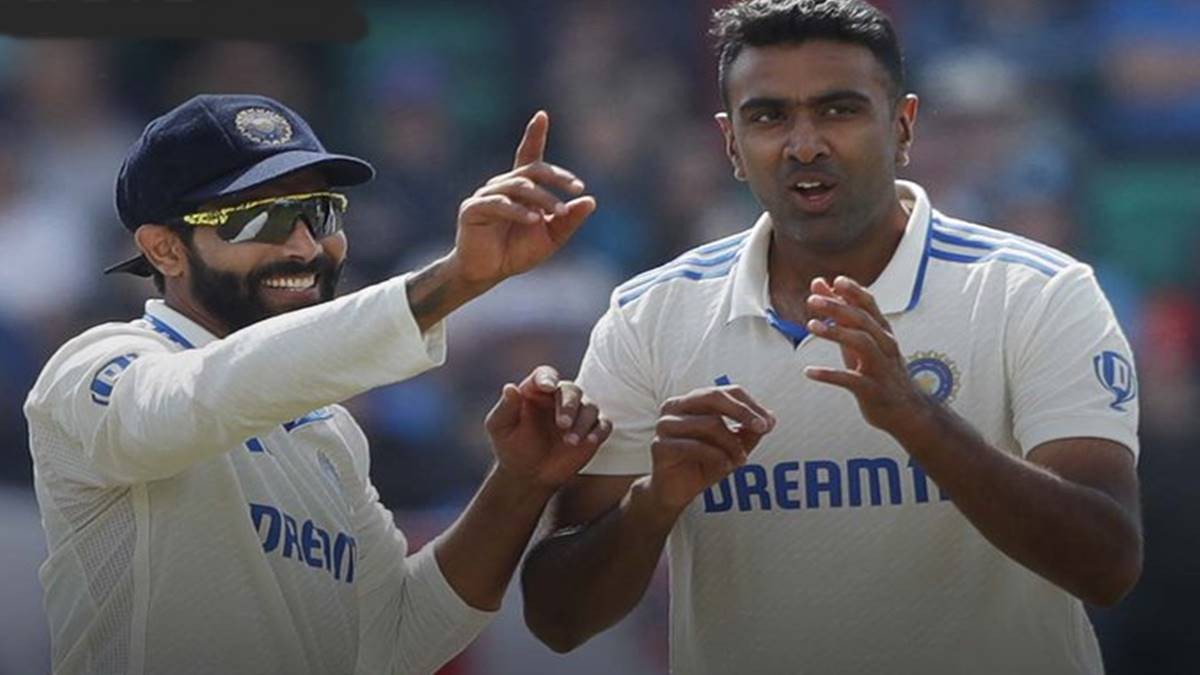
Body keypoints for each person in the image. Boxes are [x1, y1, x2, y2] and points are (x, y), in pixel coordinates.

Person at [519, 2, 1142, 673]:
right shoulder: (652, 314)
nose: (805, 144)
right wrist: (654, 502)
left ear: (902, 127)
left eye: (839, 110)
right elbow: (557, 619)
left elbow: (1107, 564)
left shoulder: (1037, 293)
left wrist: (919, 421)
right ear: (731, 145)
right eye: (768, 117)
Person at [23, 93, 611, 675]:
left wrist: (520, 482)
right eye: (261, 218)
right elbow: (197, 398)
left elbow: (397, 637)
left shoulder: (328, 432)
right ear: (165, 250)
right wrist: (456, 280)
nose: (305, 246)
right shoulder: (96, 366)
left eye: (320, 213)